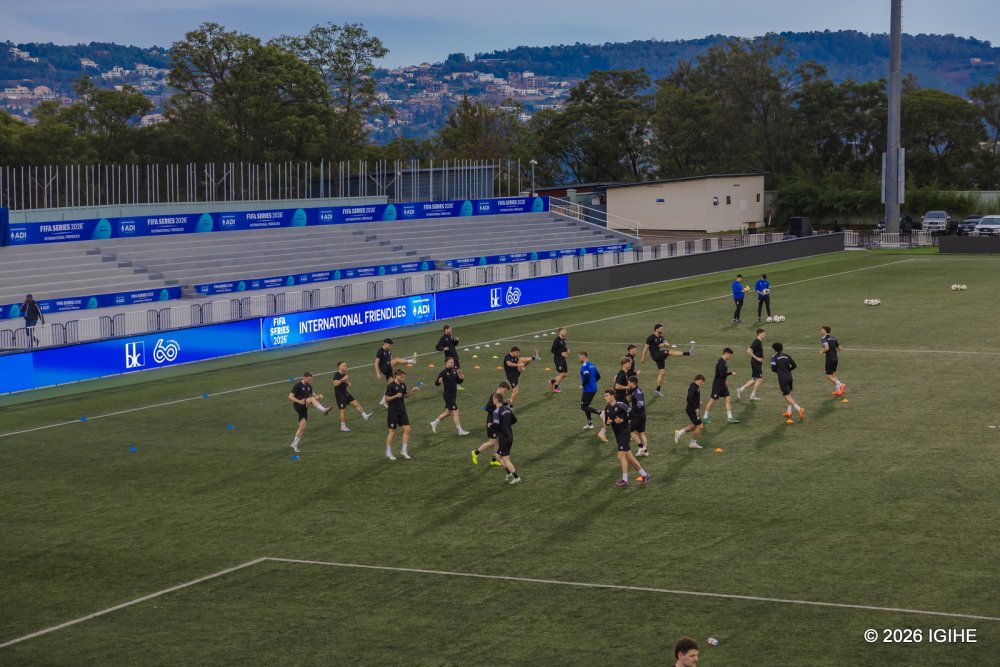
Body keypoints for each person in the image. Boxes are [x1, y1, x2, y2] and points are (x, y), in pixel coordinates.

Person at [599, 389, 650, 488]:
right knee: (629, 458)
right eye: (605, 396)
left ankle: (625, 480)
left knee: (620, 456)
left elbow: (633, 415)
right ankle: (645, 475)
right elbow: (607, 422)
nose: (605, 397)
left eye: (607, 395)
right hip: (617, 435)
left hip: (625, 432)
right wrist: (606, 426)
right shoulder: (607, 408)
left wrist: (623, 419)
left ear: (613, 396)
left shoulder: (621, 405)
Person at [639, 323, 694, 397]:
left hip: (659, 356)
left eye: (662, 329)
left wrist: (664, 344)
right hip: (655, 355)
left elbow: (668, 345)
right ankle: (689, 353)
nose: (662, 330)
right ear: (656, 329)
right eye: (661, 329)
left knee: (662, 373)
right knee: (671, 352)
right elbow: (645, 348)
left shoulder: (661, 337)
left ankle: (657, 390)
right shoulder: (650, 338)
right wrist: (643, 357)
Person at [287, 372, 332, 453]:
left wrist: (319, 396)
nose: (310, 381)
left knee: (303, 427)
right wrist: (299, 401)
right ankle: (324, 410)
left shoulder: (309, 386)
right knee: (311, 399)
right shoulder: (298, 385)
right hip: (298, 405)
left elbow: (314, 397)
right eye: (309, 379)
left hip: (305, 407)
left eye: (311, 380)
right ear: (304, 377)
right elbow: (290, 396)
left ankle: (294, 444)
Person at [471, 381, 511, 466]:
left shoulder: (499, 396)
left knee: (498, 441)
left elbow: (499, 406)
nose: (505, 392)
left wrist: (507, 403)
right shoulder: (494, 396)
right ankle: (475, 452)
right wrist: (495, 415)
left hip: (496, 421)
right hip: (491, 422)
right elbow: (488, 408)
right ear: (501, 388)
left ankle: (494, 459)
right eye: (505, 390)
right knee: (492, 442)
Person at [384, 368, 420, 460]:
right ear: (397, 376)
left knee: (407, 429)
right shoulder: (391, 386)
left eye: (404, 377)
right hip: (393, 411)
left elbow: (405, 395)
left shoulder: (403, 385)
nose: (403, 378)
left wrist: (412, 391)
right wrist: (395, 396)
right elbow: (386, 398)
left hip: (402, 411)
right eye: (402, 377)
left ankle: (404, 450)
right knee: (392, 432)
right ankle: (388, 451)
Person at [430, 356, 470, 435]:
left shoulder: (454, 371)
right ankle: (460, 431)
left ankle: (434, 423)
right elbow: (436, 383)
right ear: (446, 363)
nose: (453, 363)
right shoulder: (443, 373)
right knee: (456, 412)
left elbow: (458, 381)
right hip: (448, 396)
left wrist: (461, 378)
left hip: (453, 395)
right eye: (451, 362)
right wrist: (439, 381)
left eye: (453, 362)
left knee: (448, 412)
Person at [332, 361, 373, 432]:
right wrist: (343, 379)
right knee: (343, 411)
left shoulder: (344, 374)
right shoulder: (337, 375)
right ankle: (343, 426)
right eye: (344, 365)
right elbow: (335, 384)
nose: (346, 366)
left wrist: (348, 383)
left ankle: (365, 416)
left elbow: (344, 382)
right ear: (339, 366)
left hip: (345, 393)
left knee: (356, 403)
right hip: (339, 395)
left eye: (346, 365)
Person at [703, 347, 739, 424]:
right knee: (712, 400)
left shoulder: (724, 361)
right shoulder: (721, 362)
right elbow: (722, 374)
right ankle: (705, 417)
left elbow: (721, 375)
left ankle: (730, 417)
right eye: (730, 355)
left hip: (722, 384)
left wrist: (725, 381)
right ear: (725, 353)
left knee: (728, 398)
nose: (730, 356)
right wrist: (731, 373)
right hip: (717, 385)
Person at [375, 339, 415, 407]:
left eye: (391, 345)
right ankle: (411, 361)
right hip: (384, 368)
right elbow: (376, 362)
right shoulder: (380, 351)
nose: (390, 347)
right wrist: (377, 373)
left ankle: (383, 400)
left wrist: (394, 364)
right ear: (385, 343)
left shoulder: (389, 351)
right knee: (396, 359)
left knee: (390, 385)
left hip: (389, 369)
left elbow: (391, 361)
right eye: (389, 345)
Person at [492, 392, 521, 484]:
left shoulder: (496, 411)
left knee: (505, 459)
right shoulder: (507, 409)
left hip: (503, 437)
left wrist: (491, 426)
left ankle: (516, 477)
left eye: (493, 399)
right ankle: (509, 473)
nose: (493, 400)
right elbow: (514, 420)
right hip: (509, 435)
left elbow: (496, 425)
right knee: (497, 456)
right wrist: (506, 425)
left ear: (496, 400)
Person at [770, 342, 804, 421]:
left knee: (786, 396)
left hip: (782, 379)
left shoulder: (773, 357)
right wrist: (788, 370)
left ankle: (799, 409)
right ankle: (789, 411)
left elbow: (773, 368)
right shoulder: (787, 356)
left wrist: (779, 371)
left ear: (774, 349)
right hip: (790, 377)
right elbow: (794, 365)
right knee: (788, 394)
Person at [674, 374, 706, 449]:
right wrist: (696, 408)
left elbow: (693, 397)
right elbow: (688, 398)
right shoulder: (693, 387)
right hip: (692, 410)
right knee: (700, 426)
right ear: (697, 379)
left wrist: (698, 401)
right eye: (701, 382)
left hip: (692, 409)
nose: (702, 384)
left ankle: (679, 433)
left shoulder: (695, 386)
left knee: (695, 425)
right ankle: (692, 443)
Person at [736, 328, 767, 401]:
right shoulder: (756, 341)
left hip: (757, 362)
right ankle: (752, 395)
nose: (765, 334)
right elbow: (749, 351)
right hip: (755, 363)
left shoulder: (760, 342)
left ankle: (740, 389)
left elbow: (757, 351)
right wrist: (757, 358)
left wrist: (762, 356)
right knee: (759, 379)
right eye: (764, 333)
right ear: (759, 333)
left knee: (754, 379)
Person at [578, 351, 603, 430]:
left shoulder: (584, 365)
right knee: (586, 406)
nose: (579, 358)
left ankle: (601, 413)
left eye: (579, 356)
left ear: (583, 356)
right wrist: (593, 383)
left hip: (588, 389)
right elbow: (598, 376)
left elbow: (586, 376)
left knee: (583, 407)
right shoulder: (592, 364)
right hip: (593, 388)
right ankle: (590, 423)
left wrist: (583, 385)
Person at [820, 325, 846, 396]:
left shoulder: (823, 338)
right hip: (835, 358)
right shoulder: (833, 338)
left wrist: (822, 352)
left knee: (828, 376)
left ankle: (841, 385)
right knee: (833, 374)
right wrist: (833, 351)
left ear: (825, 330)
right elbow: (840, 348)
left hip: (830, 359)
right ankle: (838, 390)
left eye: (822, 329)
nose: (821, 331)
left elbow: (827, 348)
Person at [627, 376, 649, 456]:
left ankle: (641, 447)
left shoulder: (636, 392)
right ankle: (645, 451)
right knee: (641, 433)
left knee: (629, 431)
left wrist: (631, 410)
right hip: (642, 415)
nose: (628, 384)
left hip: (637, 416)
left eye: (628, 383)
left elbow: (640, 403)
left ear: (632, 382)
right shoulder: (636, 390)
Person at [548, 327, 569, 393]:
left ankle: (552, 381)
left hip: (563, 359)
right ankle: (555, 388)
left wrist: (567, 352)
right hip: (558, 359)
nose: (565, 333)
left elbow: (564, 349)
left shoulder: (564, 340)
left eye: (565, 331)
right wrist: (561, 353)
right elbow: (552, 350)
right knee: (561, 374)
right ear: (560, 332)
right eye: (564, 331)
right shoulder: (556, 340)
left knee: (564, 375)